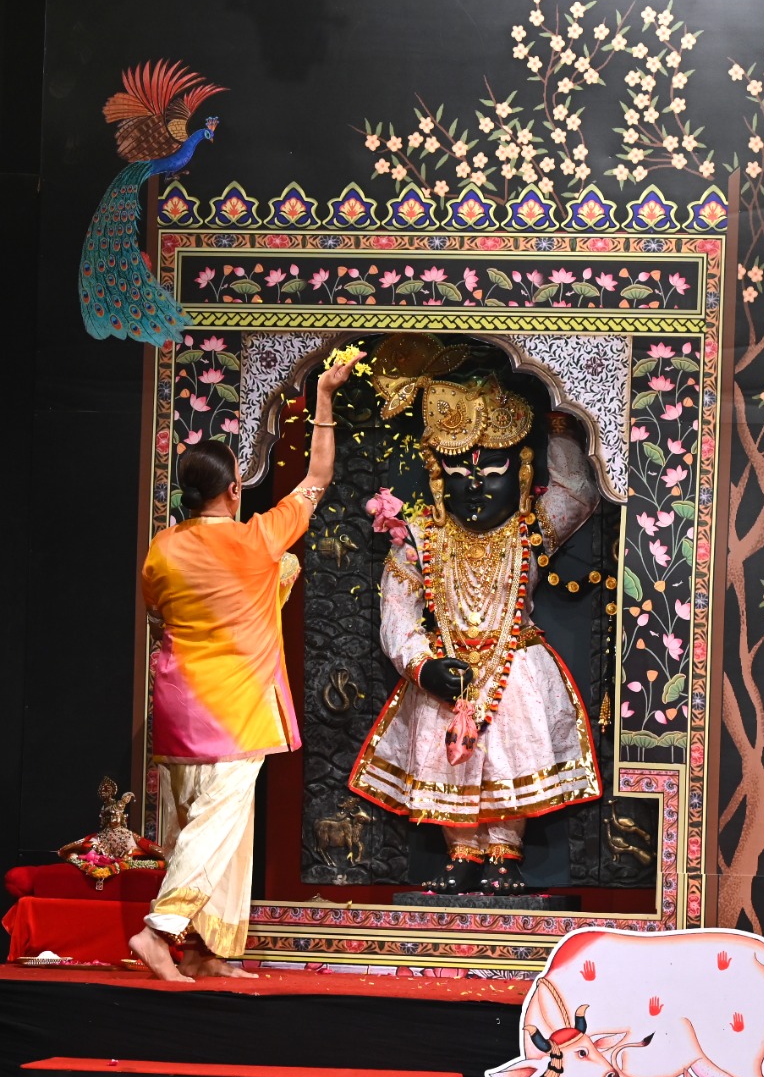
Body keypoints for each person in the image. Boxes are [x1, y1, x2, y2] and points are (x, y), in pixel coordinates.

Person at [130, 352, 363, 981]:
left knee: (202, 826)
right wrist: (324, 395)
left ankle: (207, 950)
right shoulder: (258, 540)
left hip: (179, 706)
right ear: (234, 489)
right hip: (235, 711)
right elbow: (318, 476)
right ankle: (160, 931)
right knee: (218, 825)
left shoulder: (162, 549)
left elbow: (157, 617)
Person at [349, 335, 602, 895]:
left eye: (492, 472)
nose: (476, 486)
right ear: (438, 478)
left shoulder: (530, 531)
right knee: (448, 755)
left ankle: (504, 853)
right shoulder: (419, 537)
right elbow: (398, 615)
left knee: (511, 754)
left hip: (516, 667)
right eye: (459, 475)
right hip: (446, 671)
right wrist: (422, 666)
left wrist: (561, 419)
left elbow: (578, 492)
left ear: (521, 474)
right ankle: (461, 851)